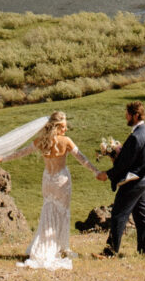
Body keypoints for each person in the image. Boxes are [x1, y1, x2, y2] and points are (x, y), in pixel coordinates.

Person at [19, 111, 99, 270]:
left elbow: (21, 153)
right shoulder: (66, 141)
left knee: (48, 210)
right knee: (63, 212)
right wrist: (96, 171)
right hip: (61, 180)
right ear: (56, 126)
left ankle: (50, 246)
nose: (66, 129)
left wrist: (3, 157)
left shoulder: (41, 141)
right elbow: (82, 158)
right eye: (63, 126)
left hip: (48, 180)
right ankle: (61, 247)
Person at [97, 100, 145, 257]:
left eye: (128, 114)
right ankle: (144, 252)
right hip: (143, 179)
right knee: (142, 216)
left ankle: (110, 252)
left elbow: (124, 164)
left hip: (133, 182)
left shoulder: (136, 136)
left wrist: (107, 174)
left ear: (135, 115)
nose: (126, 117)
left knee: (118, 214)